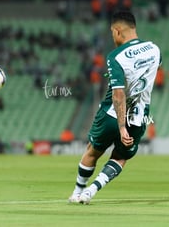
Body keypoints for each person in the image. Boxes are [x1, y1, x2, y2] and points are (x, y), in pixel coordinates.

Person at [68, 10, 161, 204]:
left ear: (118, 31)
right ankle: (91, 191)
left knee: (92, 150)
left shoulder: (115, 56)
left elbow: (119, 94)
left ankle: (77, 192)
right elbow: (154, 67)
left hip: (112, 115)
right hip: (139, 116)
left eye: (112, 32)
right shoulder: (154, 49)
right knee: (120, 157)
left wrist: (121, 127)